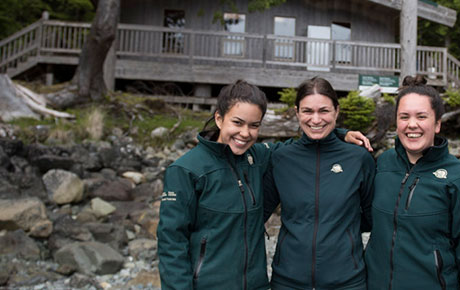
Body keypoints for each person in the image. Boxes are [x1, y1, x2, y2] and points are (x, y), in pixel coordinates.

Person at [158, 80, 370, 290]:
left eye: (254, 125)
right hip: (211, 283)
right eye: (237, 122)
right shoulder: (186, 170)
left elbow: (309, 145)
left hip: (257, 284)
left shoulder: (258, 156)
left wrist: (340, 134)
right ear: (219, 119)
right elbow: (171, 243)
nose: (245, 133)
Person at [364, 76, 460, 290]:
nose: (412, 124)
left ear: (437, 124)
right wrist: (342, 134)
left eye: (421, 116)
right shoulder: (383, 163)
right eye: (404, 117)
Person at [263, 77, 375, 290]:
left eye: (323, 111)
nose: (315, 120)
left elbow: (372, 217)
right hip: (288, 281)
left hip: (347, 282)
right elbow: (259, 213)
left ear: (336, 112)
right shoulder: (282, 158)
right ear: (297, 113)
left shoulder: (359, 158)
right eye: (307, 111)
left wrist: (341, 227)